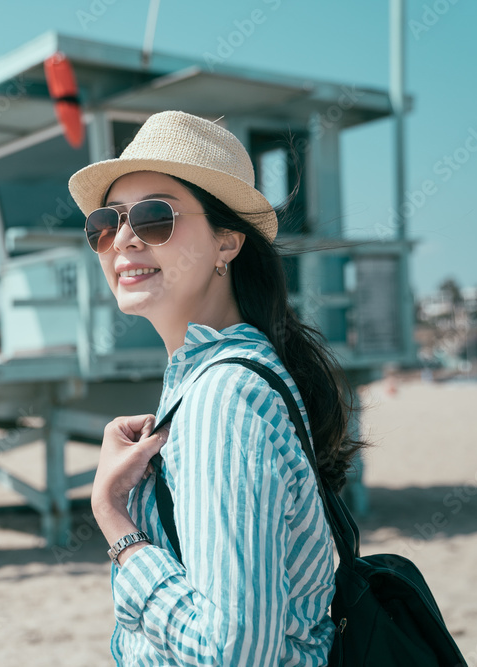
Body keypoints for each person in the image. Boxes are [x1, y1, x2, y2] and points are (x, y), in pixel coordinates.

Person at [67, 110, 363, 665]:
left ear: (227, 243)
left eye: (155, 217)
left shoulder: (223, 399)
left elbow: (233, 654)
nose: (124, 239)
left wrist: (115, 519)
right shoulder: (229, 376)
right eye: (106, 224)